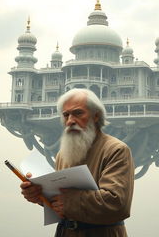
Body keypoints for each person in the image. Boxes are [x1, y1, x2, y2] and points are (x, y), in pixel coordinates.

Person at [20, 88, 134, 237]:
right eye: (66, 115)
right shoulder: (63, 154)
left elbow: (117, 204)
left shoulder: (116, 150)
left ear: (96, 116)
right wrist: (38, 195)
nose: (70, 121)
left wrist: (68, 201)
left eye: (78, 113)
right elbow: (59, 202)